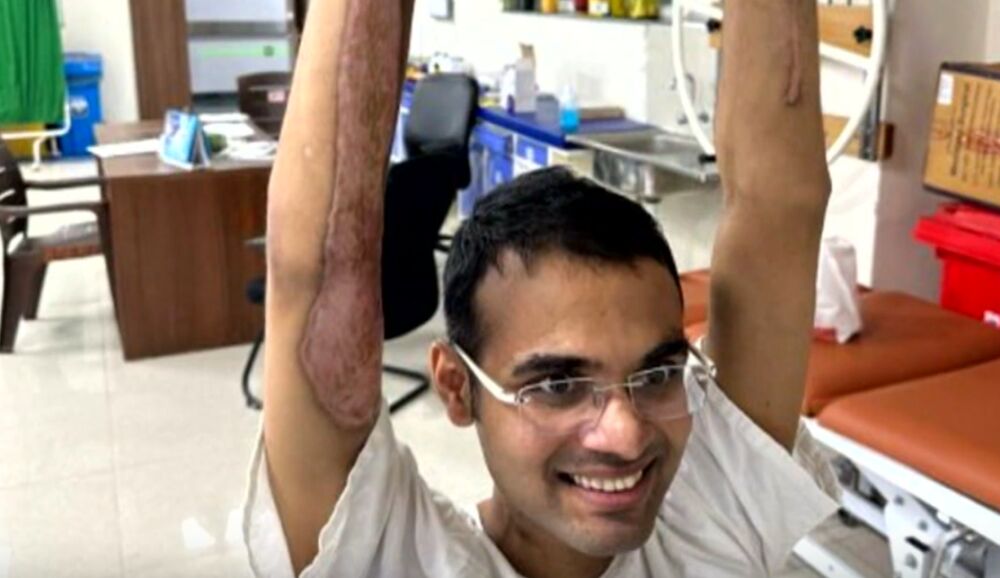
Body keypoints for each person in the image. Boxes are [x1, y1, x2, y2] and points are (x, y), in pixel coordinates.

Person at [243, 0, 837, 576]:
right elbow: (318, 268)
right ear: (456, 385)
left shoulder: (711, 525)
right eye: (558, 386)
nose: (626, 435)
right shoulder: (390, 561)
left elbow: (779, 208)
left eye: (657, 375)